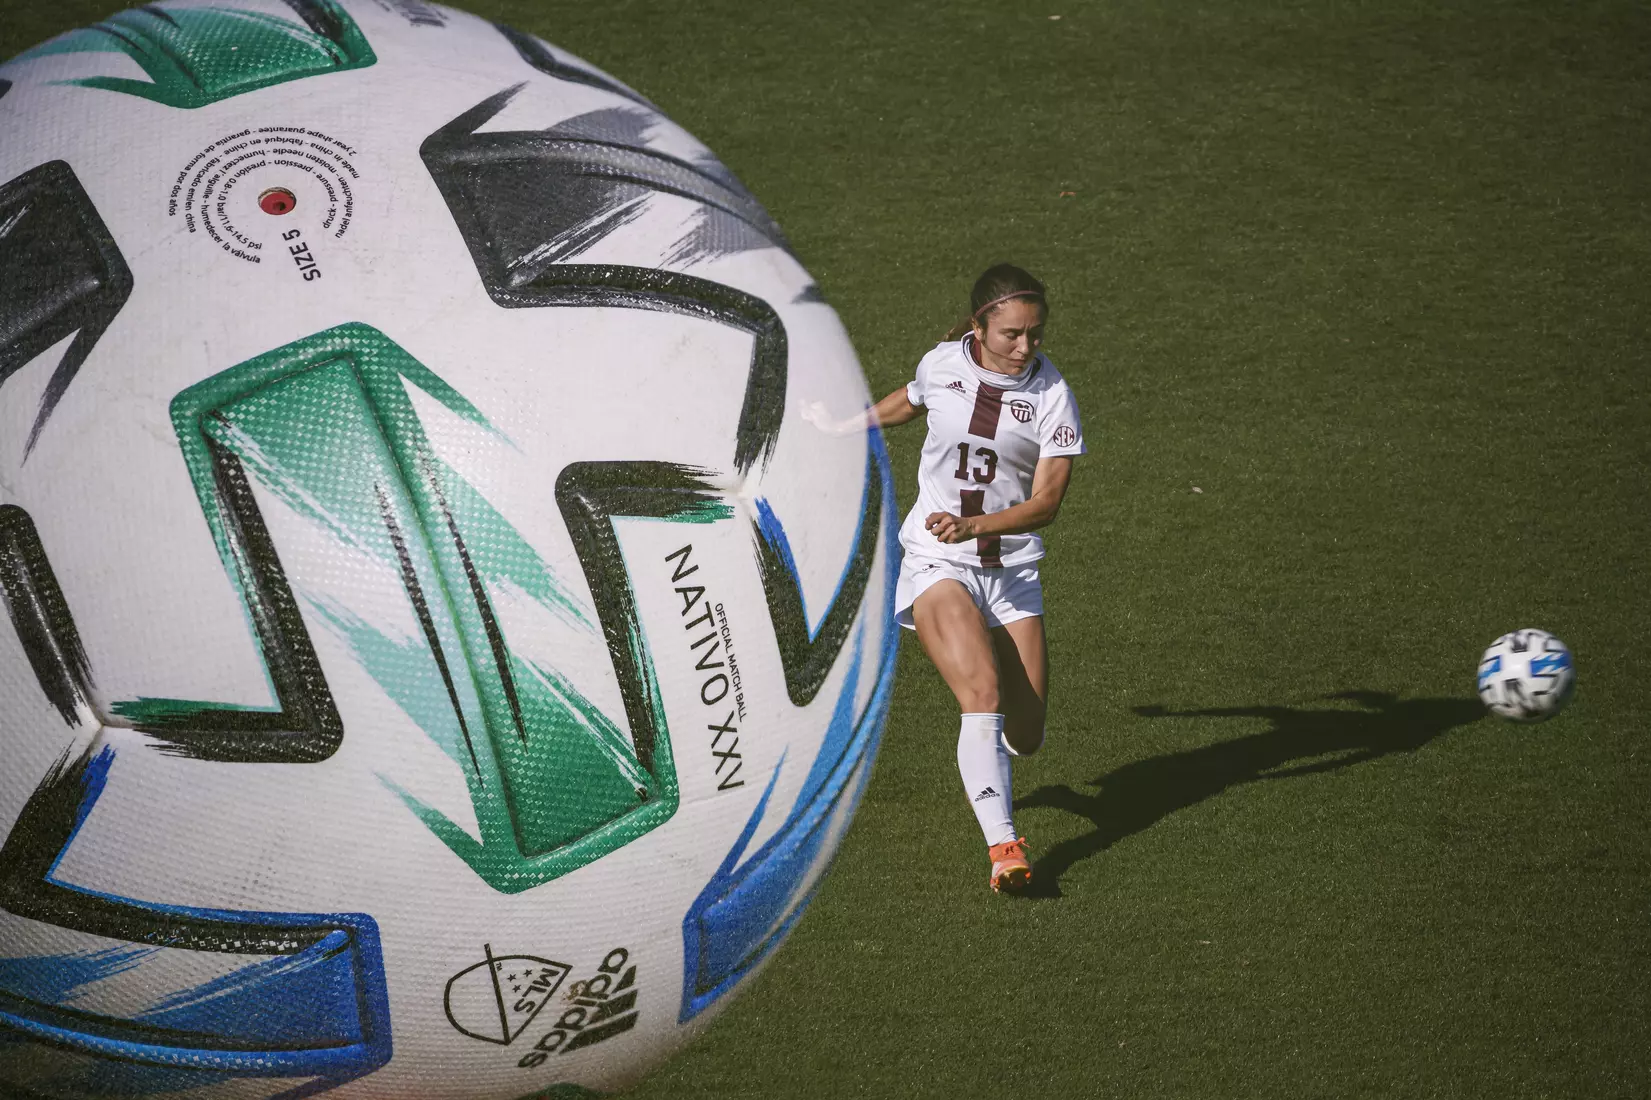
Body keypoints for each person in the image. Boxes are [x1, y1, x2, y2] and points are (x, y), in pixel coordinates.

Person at [867, 262, 1085, 893]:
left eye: (1035, 334)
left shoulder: (1051, 394)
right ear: (979, 325)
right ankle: (1005, 847)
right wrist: (848, 424)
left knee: (1028, 734)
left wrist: (978, 527)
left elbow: (1046, 504)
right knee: (981, 697)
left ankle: (997, 764)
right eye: (1013, 334)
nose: (1026, 347)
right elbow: (910, 399)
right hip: (938, 563)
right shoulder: (943, 363)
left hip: (1011, 573)